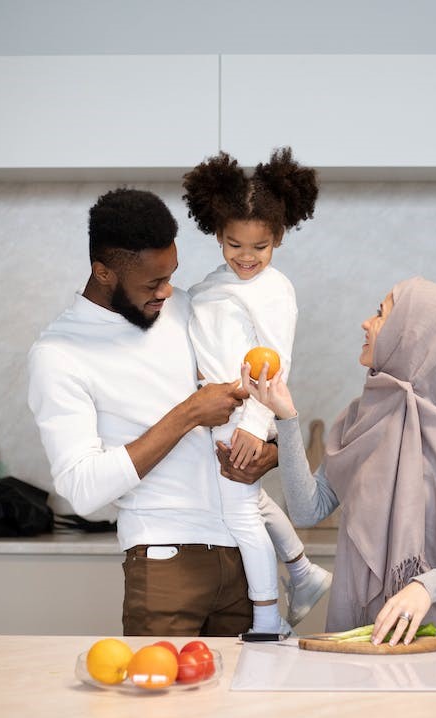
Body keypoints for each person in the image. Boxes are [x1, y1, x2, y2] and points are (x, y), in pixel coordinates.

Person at [28, 187, 278, 637]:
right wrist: (187, 414)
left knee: (246, 706)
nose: (167, 292)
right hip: (164, 564)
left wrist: (269, 450)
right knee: (159, 708)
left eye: (171, 276)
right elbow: (82, 490)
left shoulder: (184, 307)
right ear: (103, 272)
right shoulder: (59, 354)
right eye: (151, 283)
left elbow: (246, 400)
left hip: (243, 557)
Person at [240, 277, 436, 644]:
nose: (366, 322)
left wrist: (424, 588)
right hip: (363, 633)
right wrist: (286, 418)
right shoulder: (359, 417)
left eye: (381, 314)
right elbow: (307, 509)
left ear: (411, 335)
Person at [182, 148, 332, 633]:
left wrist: (252, 425)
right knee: (247, 503)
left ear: (279, 238)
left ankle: (269, 620)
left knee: (241, 515)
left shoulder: (273, 289)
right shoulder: (213, 284)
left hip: (242, 414)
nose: (246, 258)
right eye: (234, 244)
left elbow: (275, 358)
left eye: (259, 247)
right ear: (217, 235)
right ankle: (303, 571)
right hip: (216, 413)